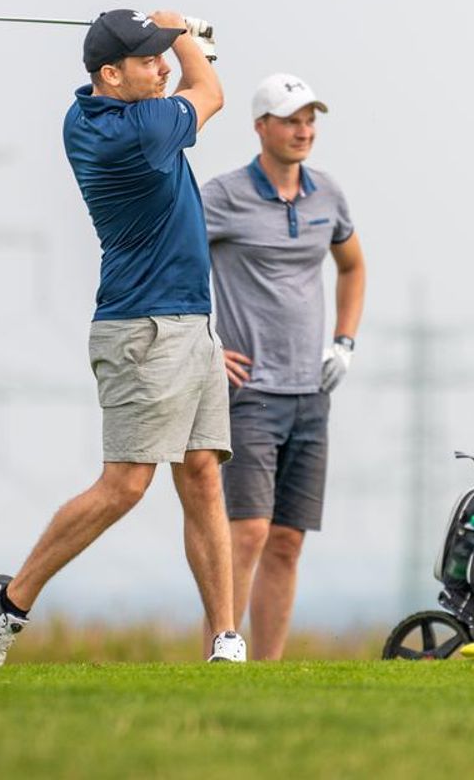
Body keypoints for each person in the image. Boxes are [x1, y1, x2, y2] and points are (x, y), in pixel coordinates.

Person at [0, 8, 246, 666]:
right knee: (125, 484)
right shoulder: (139, 132)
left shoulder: (89, 114)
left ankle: (225, 639)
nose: (163, 68)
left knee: (202, 475)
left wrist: (173, 42)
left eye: (161, 57)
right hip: (143, 330)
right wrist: (186, 35)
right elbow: (210, 93)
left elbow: (187, 87)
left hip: (188, 319)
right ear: (111, 75)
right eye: (149, 60)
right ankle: (11, 602)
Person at [201, 72, 366, 660]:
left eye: (310, 120)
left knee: (288, 540)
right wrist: (204, 345)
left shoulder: (327, 195)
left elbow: (352, 266)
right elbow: (172, 260)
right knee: (247, 531)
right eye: (291, 120)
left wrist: (344, 342)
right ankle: (222, 656)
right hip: (250, 392)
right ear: (261, 127)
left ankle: (269, 670)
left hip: (310, 393)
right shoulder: (223, 196)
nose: (304, 131)